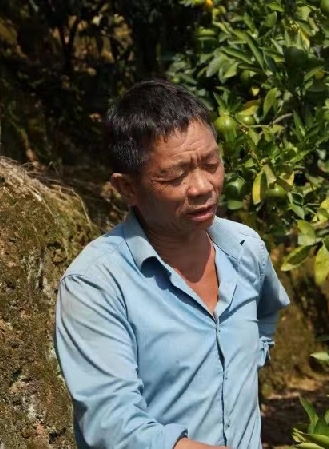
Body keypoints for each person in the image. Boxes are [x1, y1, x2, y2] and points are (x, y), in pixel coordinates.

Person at [54, 79, 289, 449]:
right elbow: (113, 424)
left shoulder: (245, 249)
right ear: (127, 188)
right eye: (176, 176)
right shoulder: (96, 284)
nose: (202, 186)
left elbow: (267, 313)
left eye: (211, 164)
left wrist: (238, 366)